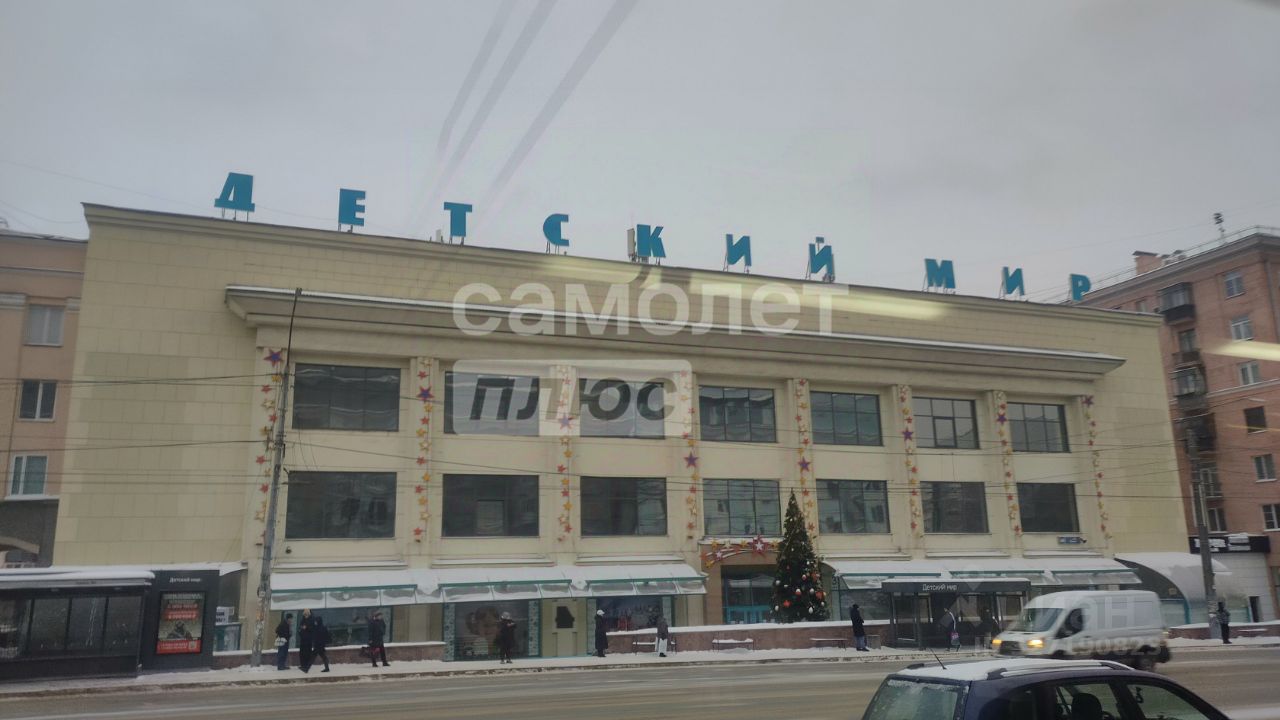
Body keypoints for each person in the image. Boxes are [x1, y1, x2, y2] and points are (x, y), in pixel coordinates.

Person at [298, 608, 316, 672]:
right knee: (302, 652)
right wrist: (300, 630)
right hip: (303, 639)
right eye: (304, 614)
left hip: (308, 639)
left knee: (307, 652)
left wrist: (306, 627)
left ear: (308, 614)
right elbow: (300, 627)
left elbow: (313, 628)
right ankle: (302, 665)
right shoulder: (303, 619)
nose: (305, 615)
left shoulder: (312, 619)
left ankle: (306, 665)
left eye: (306, 614)